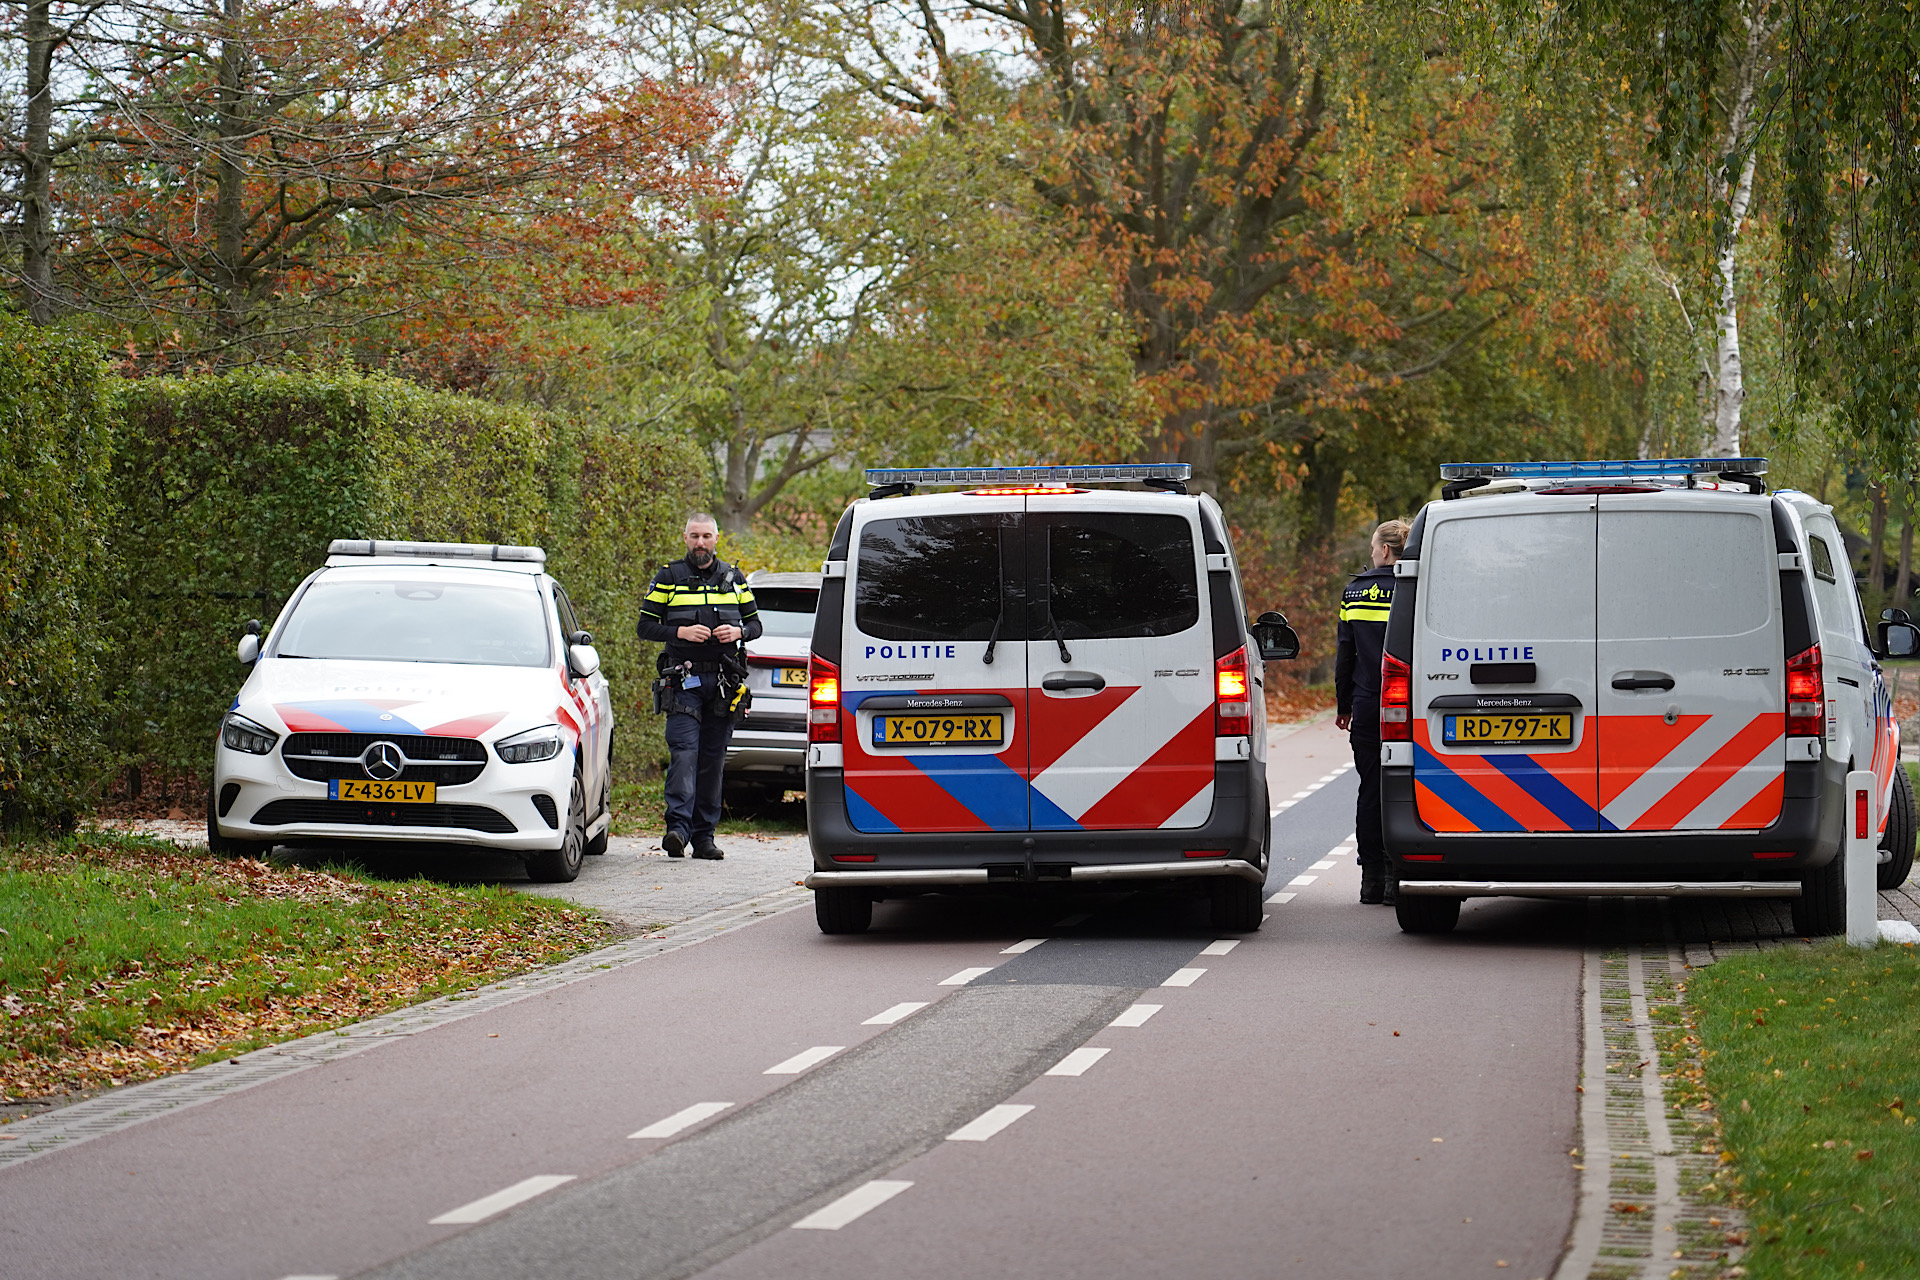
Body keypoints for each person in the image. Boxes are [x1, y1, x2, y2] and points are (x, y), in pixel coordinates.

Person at [636, 513, 761, 859]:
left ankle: (704, 838)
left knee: (712, 760)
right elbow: (645, 627)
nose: (701, 543)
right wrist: (680, 632)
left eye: (706, 536)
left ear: (717, 538)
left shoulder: (735, 579)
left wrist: (738, 632)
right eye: (695, 536)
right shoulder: (668, 577)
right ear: (685, 537)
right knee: (684, 754)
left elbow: (755, 625)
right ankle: (677, 829)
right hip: (683, 681)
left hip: (723, 683)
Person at [1336, 519, 1410, 904]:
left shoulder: (1354, 593)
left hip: (1367, 706)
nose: (1370, 553)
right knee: (1408, 790)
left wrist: (1343, 705)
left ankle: (1371, 879)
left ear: (1383, 550)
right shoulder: (1416, 588)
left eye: (1371, 547)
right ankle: (1401, 876)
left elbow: (1345, 656)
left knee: (1370, 789)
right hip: (1410, 708)